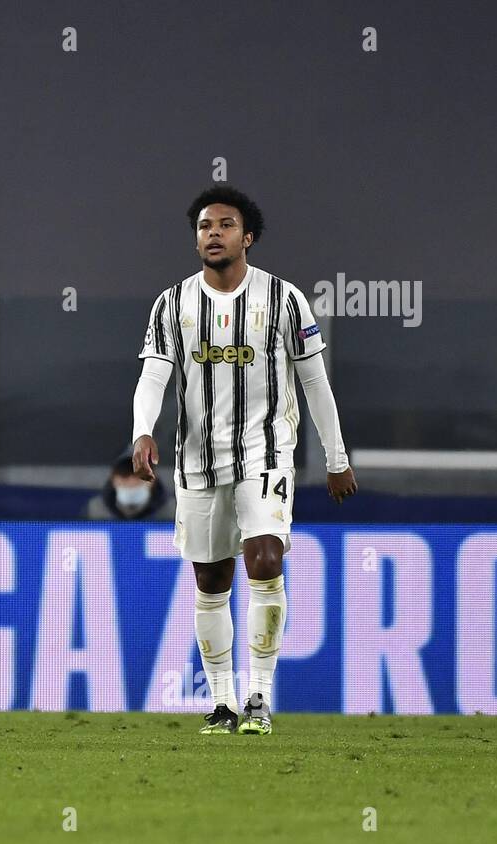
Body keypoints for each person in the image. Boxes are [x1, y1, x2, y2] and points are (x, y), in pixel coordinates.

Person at [131, 186, 356, 736]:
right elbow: (154, 374)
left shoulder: (284, 300)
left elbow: (314, 382)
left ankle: (259, 695)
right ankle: (223, 703)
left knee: (264, 559)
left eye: (225, 224)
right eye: (204, 226)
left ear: (247, 237)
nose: (212, 233)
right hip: (198, 460)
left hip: (267, 451)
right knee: (211, 578)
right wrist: (141, 430)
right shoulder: (172, 303)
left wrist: (336, 456)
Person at [84, 444, 172, 520]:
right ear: (113, 479)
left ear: (153, 479)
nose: (131, 481)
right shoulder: (95, 511)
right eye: (124, 474)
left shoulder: (173, 511)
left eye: (140, 474)